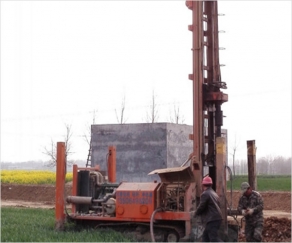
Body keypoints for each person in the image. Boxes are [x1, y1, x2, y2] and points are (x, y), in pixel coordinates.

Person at [193, 176, 223, 242]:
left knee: (213, 238)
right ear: (211, 184)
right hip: (216, 218)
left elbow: (201, 206)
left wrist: (195, 213)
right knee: (205, 238)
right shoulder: (214, 193)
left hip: (213, 219)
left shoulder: (205, 194)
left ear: (203, 185)